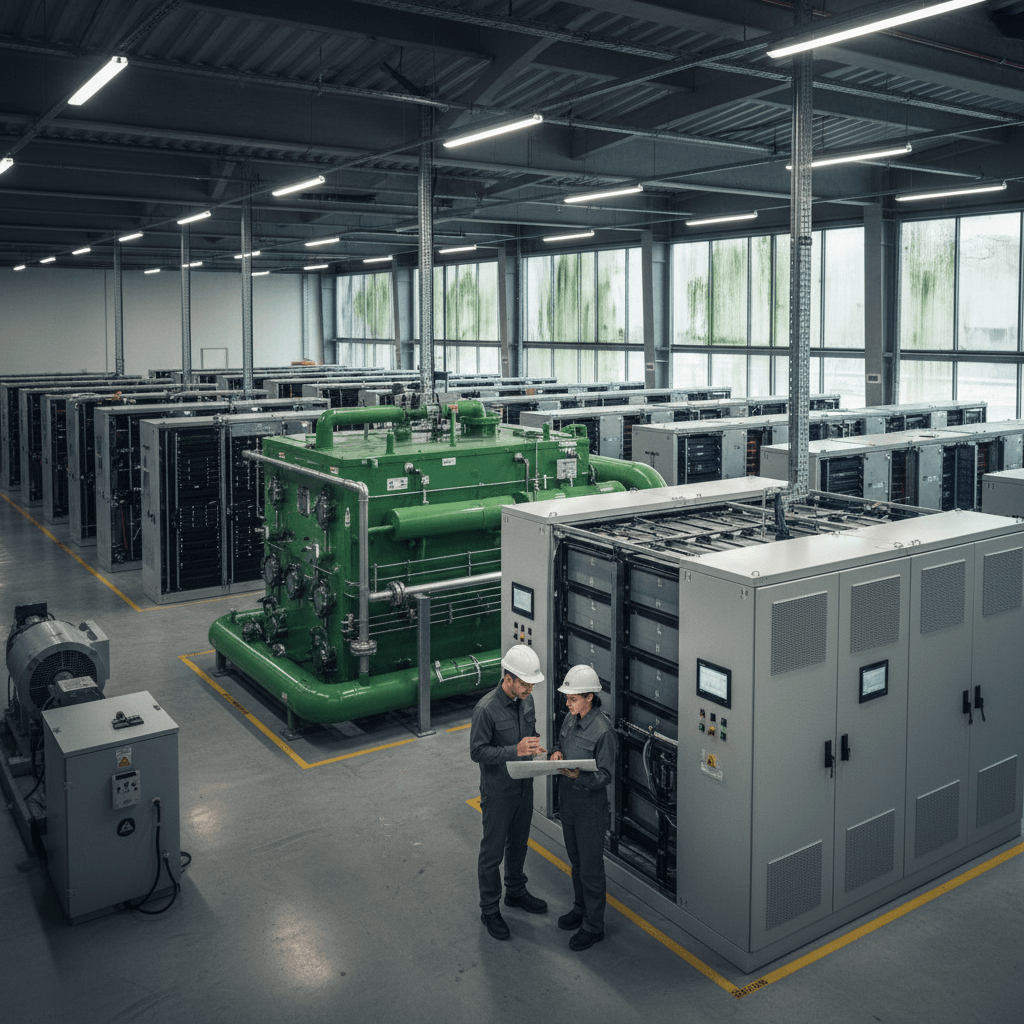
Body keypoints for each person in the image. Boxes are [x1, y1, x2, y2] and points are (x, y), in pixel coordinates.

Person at [470, 644, 548, 941]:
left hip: (523, 785)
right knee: (492, 852)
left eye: (532, 684)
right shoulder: (486, 709)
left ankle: (515, 891)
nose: (529, 689)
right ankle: (489, 908)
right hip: (499, 791)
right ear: (508, 678)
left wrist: (533, 745)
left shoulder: (527, 702)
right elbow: (477, 752)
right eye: (525, 683)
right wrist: (513, 750)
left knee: (519, 844)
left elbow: (531, 730)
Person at [549, 664, 615, 951]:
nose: (567, 703)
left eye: (573, 698)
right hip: (570, 804)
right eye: (567, 698)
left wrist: (581, 776)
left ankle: (594, 925)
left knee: (591, 868)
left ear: (589, 697)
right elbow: (559, 743)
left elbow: (606, 775)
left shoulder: (603, 731)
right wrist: (556, 752)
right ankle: (580, 908)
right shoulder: (569, 718)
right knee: (576, 863)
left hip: (590, 809)